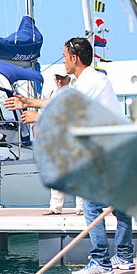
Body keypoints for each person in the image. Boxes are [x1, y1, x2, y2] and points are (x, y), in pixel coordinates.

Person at [4, 37, 134, 274]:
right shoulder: (91, 80)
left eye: (64, 57)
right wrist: (29, 102)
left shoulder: (90, 80)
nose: (63, 62)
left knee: (93, 206)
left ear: (74, 58)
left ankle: (101, 262)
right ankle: (124, 257)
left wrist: (38, 117)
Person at [41, 73, 83, 216]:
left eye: (62, 78)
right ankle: (55, 207)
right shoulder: (51, 94)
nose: (59, 81)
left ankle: (81, 207)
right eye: (57, 78)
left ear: (68, 79)